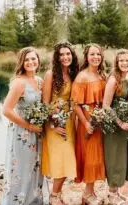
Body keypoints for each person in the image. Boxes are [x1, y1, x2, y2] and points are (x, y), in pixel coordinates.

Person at [1, 47, 44, 205]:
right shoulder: (19, 82)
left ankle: (33, 200)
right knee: (21, 169)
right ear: (21, 63)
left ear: (38, 60)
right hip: (23, 133)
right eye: (27, 60)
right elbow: (6, 110)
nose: (31, 62)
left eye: (33, 58)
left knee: (35, 167)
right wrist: (29, 126)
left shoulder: (39, 81)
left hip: (37, 132)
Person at [41, 42, 79, 204]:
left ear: (72, 56)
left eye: (68, 54)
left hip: (69, 122)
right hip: (54, 124)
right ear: (57, 58)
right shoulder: (51, 75)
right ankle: (54, 196)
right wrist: (53, 125)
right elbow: (45, 104)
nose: (65, 57)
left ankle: (57, 193)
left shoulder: (73, 73)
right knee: (61, 158)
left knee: (67, 159)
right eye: (61, 55)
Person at [71, 43, 106, 205]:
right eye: (92, 54)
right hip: (88, 122)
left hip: (100, 122)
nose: (96, 57)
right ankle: (87, 193)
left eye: (98, 54)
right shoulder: (81, 77)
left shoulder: (101, 76)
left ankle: (90, 192)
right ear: (86, 57)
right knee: (89, 156)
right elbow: (75, 104)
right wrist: (85, 123)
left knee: (97, 156)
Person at [102, 49, 128, 204]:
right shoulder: (113, 79)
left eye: (127, 60)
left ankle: (116, 192)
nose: (125, 63)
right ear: (117, 62)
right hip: (114, 126)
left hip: (126, 125)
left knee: (122, 158)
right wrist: (120, 122)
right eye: (121, 61)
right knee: (114, 157)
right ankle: (111, 194)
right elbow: (106, 106)